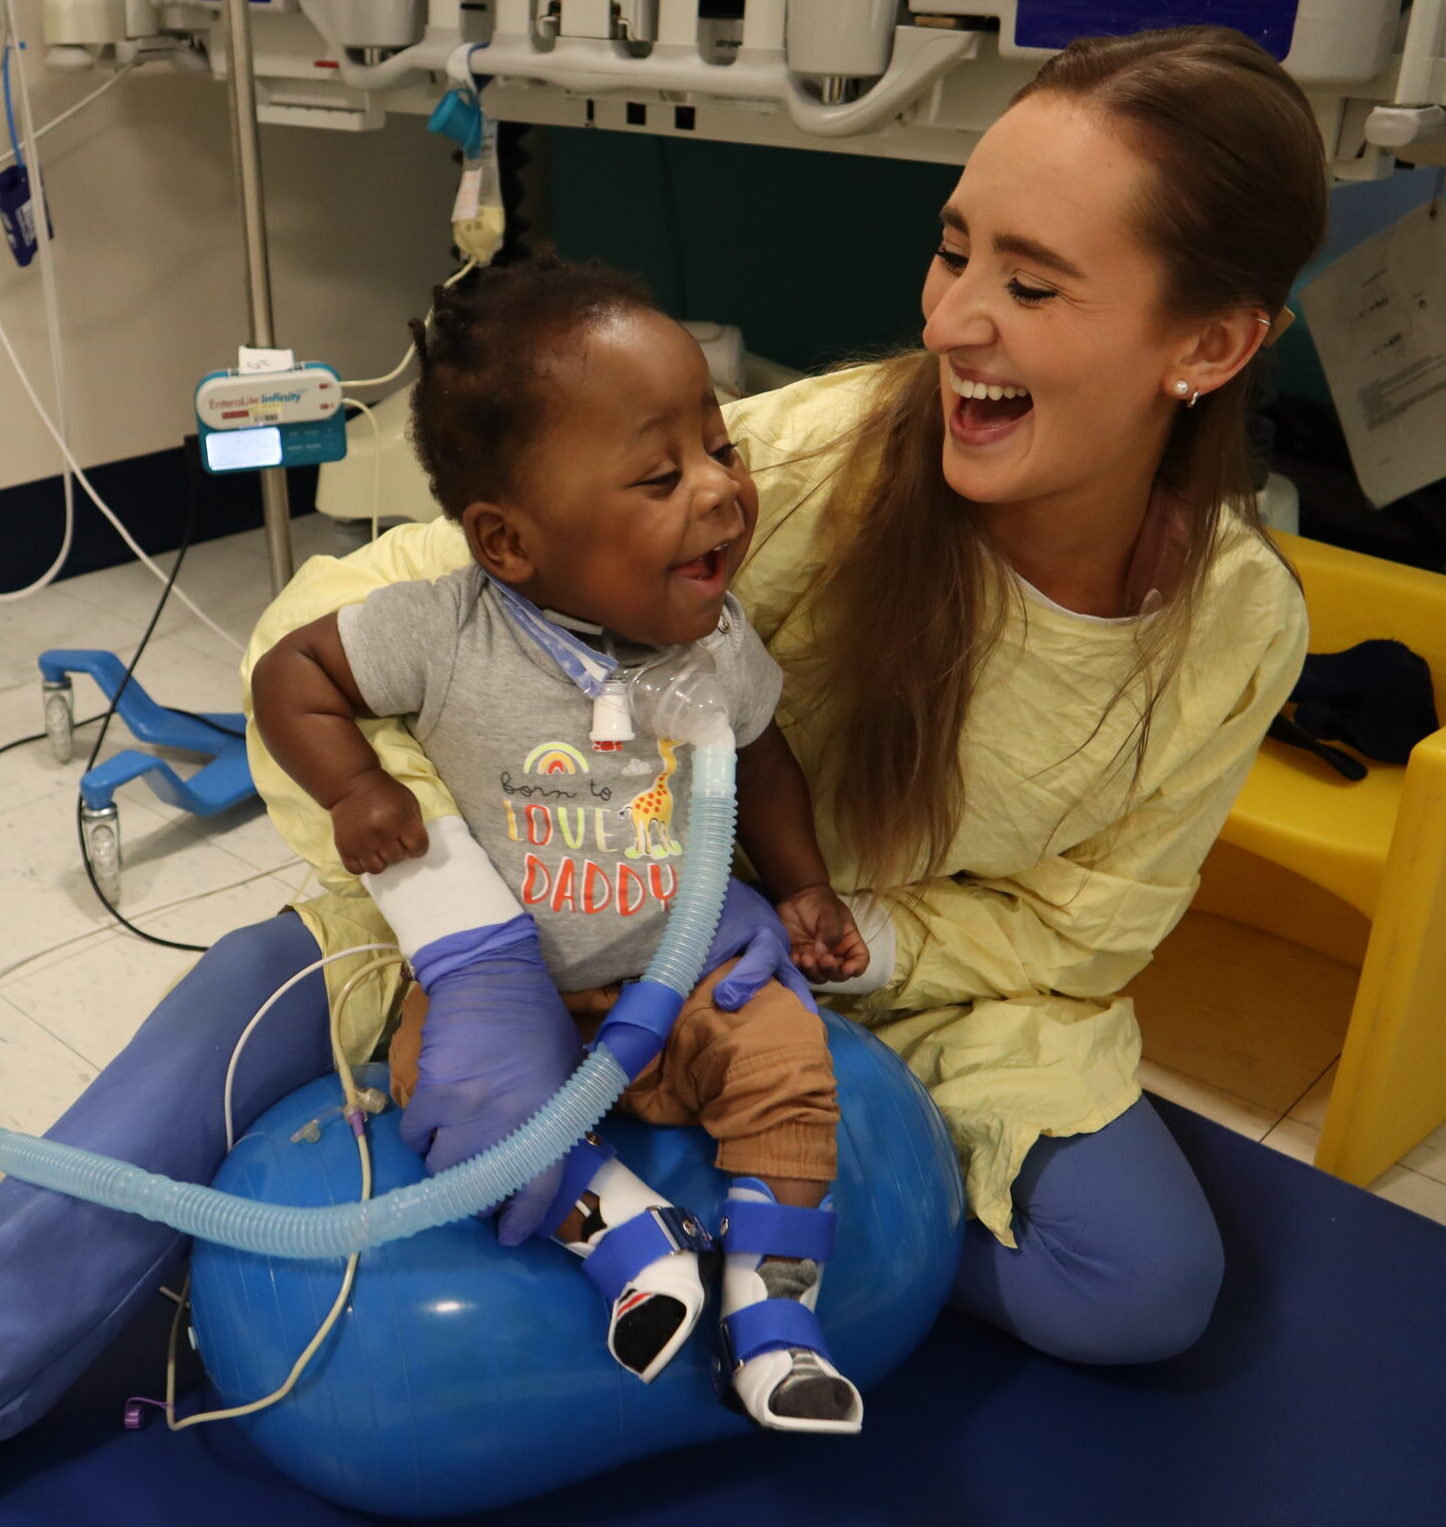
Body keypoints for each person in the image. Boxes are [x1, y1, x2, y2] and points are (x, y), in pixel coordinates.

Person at [0, 24, 1325, 1441]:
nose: (947, 322)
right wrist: (466, 928)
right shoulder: (812, 465)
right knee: (202, 1060)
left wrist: (834, 933)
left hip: (899, 984)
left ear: (1210, 343)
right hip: (548, 908)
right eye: (952, 251)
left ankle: (715, 1225)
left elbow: (1086, 930)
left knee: (1138, 1288)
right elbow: (323, 629)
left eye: (1029, 282)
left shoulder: (1238, 629)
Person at [248, 257, 868, 1432]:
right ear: (508, 540)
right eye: (658, 473)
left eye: (720, 447)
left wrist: (802, 890)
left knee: (790, 1069)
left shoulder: (714, 644)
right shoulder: (443, 633)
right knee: (451, 1100)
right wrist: (353, 784)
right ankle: (618, 1229)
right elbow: (295, 672)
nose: (722, 493)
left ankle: (774, 1311)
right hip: (512, 979)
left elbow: (766, 755)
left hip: (680, 968)